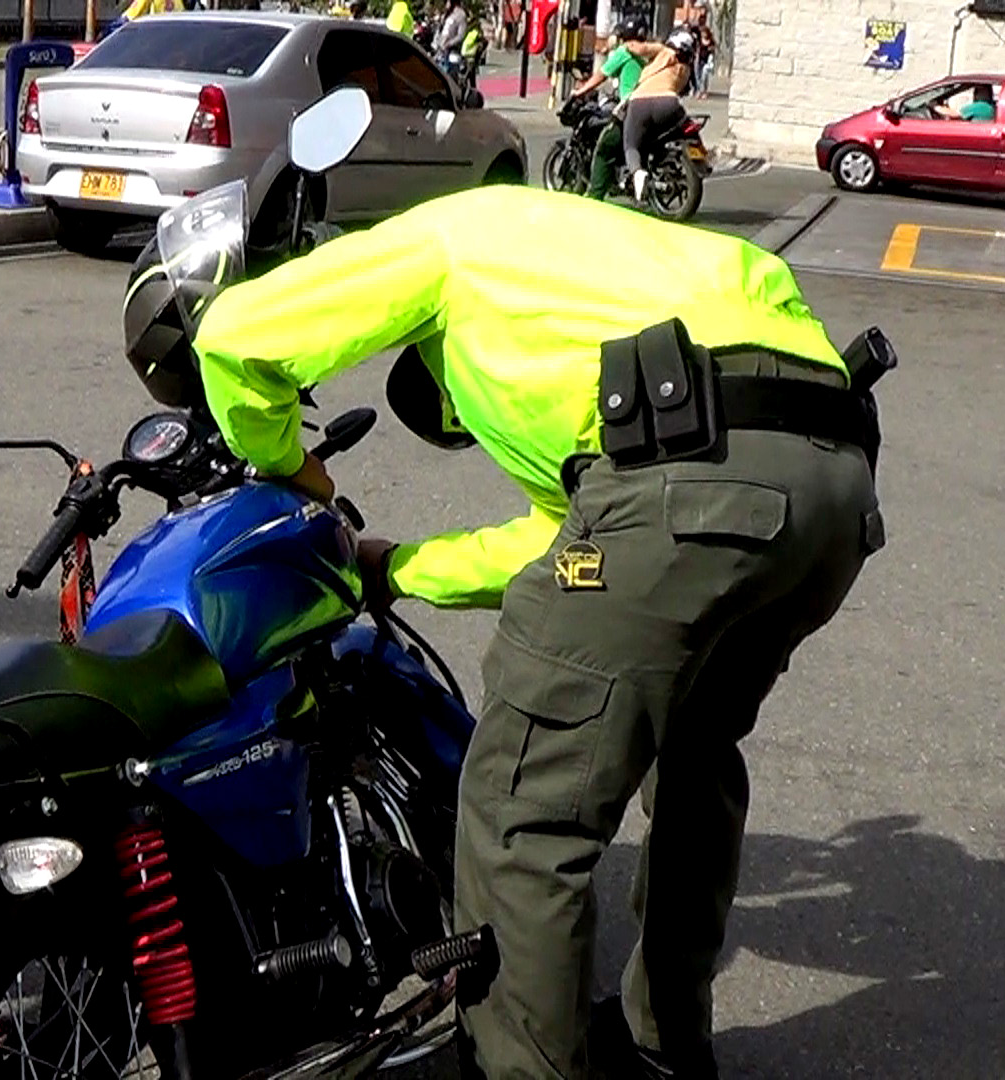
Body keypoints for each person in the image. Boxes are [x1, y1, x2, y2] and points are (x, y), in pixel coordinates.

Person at [164, 183, 884, 1080]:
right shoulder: (612, 266)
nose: (472, 430)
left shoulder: (447, 237)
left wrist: (295, 470)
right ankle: (665, 1048)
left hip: (685, 486)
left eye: (458, 421)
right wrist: (399, 567)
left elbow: (236, 336)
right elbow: (568, 544)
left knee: (521, 815)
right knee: (694, 757)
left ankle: (517, 1070)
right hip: (834, 488)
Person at [569, 18, 645, 200]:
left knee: (606, 145)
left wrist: (581, 91)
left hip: (630, 106)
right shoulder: (646, 53)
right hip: (649, 105)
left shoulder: (625, 51)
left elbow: (602, 74)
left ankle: (594, 195)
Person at [619, 27, 695, 201]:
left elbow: (640, 49)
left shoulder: (664, 50)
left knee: (631, 145)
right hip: (670, 104)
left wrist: (622, 43)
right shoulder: (686, 70)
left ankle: (637, 173)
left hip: (640, 102)